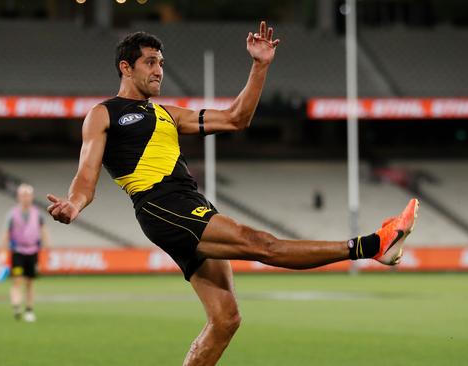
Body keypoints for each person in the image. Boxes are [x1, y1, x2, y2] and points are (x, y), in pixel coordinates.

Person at [46, 22, 419, 366]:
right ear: (126, 68)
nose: (159, 70)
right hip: (162, 206)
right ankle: (373, 246)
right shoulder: (103, 113)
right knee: (261, 244)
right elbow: (85, 177)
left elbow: (237, 118)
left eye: (161, 62)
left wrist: (260, 66)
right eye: (150, 62)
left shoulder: (168, 114)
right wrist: (73, 205)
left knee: (226, 320)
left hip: (189, 202)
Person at [1, 183, 50, 322]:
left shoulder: (37, 214)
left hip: (33, 251)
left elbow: (44, 230)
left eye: (28, 195)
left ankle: (29, 310)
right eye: (23, 195)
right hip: (17, 251)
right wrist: (3, 252)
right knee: (17, 280)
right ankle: (17, 306)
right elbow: (5, 233)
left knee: (30, 282)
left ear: (32, 197)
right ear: (18, 197)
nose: (25, 198)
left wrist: (47, 248)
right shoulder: (12, 214)